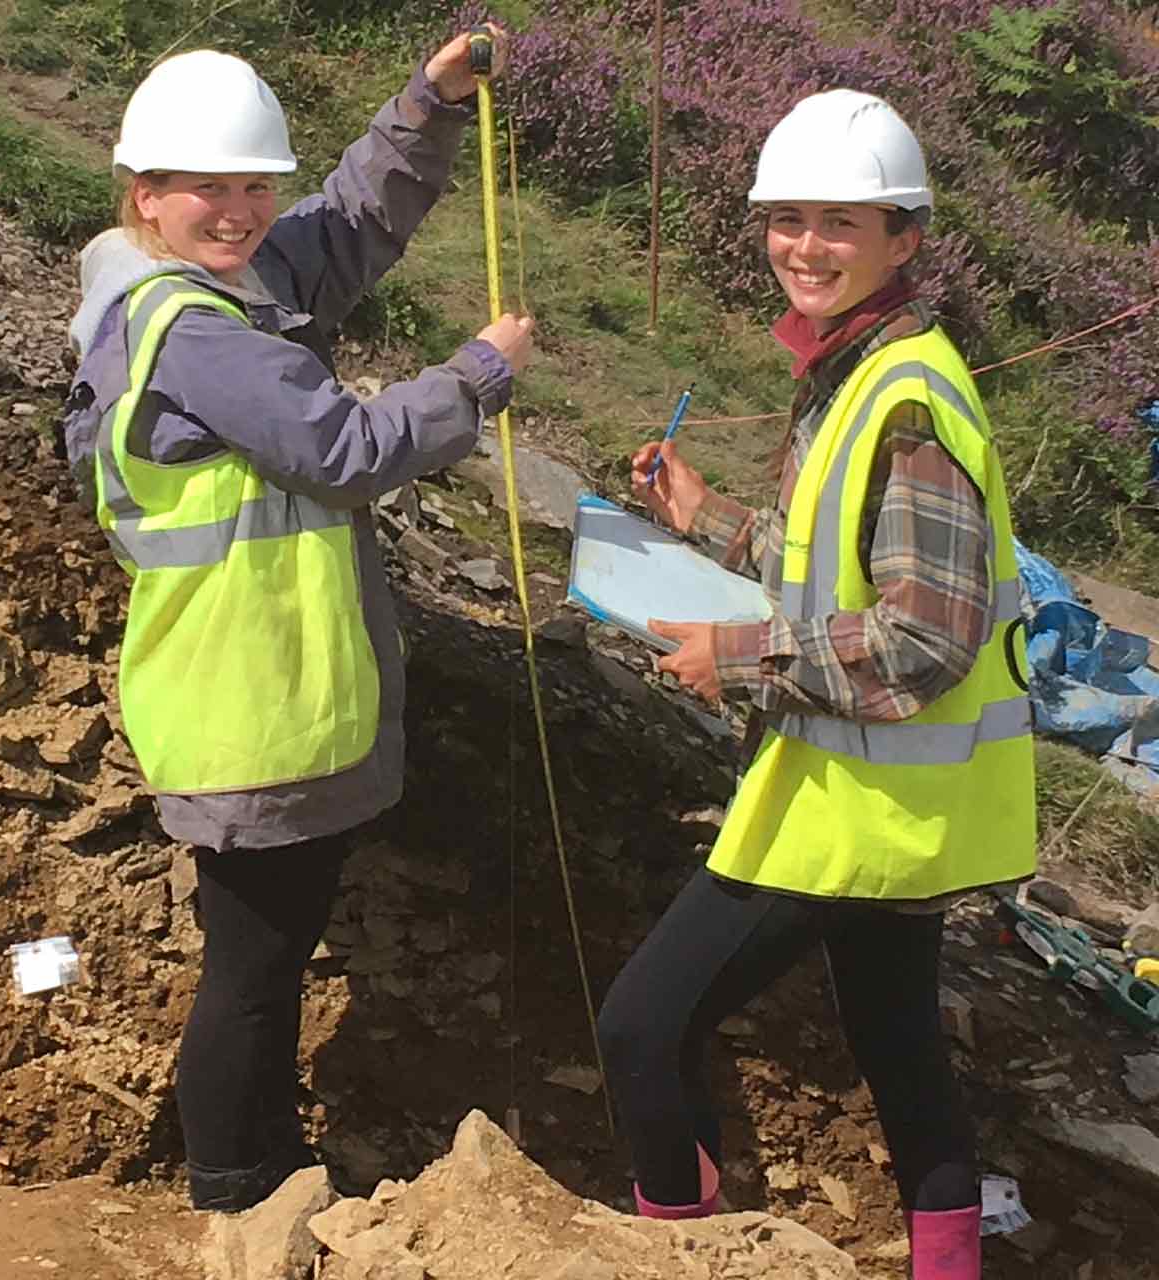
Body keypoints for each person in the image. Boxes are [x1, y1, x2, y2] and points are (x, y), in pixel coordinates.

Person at [61, 32, 534, 1212]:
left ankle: (255, 1170)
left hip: (268, 694)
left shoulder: (209, 280)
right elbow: (346, 447)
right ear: (146, 194)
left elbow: (342, 231)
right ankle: (235, 1189)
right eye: (208, 189)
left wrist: (427, 105)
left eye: (254, 186)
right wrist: (474, 374)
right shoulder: (196, 332)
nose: (239, 212)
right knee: (256, 972)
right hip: (252, 704)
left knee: (260, 961)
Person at [597, 90, 1035, 1279]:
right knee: (899, 1049)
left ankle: (677, 1256)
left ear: (906, 238)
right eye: (786, 217)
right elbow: (819, 557)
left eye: (840, 220)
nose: (805, 244)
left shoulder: (908, 407)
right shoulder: (862, 369)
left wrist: (728, 657)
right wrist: (701, 515)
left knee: (641, 1025)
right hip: (888, 806)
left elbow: (924, 639)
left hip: (846, 808)